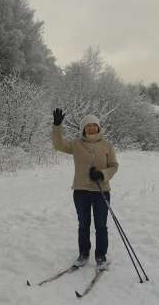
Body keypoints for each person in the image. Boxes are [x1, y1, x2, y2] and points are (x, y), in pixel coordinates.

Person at [51, 108, 119, 270]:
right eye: (88, 126)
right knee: (83, 224)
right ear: (84, 128)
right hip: (81, 191)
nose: (91, 128)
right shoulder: (76, 144)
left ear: (98, 127)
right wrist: (57, 126)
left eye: (94, 125)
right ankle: (83, 254)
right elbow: (58, 144)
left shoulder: (107, 145)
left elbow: (114, 166)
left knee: (101, 225)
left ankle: (101, 256)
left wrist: (102, 174)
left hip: (101, 190)